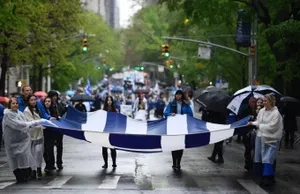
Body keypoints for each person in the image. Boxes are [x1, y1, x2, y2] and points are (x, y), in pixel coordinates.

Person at [2, 98, 46, 183]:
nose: (15, 105)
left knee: (25, 156)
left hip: (23, 140)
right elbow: (18, 125)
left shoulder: (20, 113)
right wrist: (34, 122)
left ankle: (26, 173)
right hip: (12, 141)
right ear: (10, 105)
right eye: (13, 103)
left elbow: (26, 125)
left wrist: (39, 125)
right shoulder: (8, 115)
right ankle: (19, 175)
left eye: (16, 103)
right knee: (14, 159)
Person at [248, 93, 283, 186]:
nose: (263, 102)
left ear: (271, 102)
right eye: (263, 101)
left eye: (265, 101)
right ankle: (266, 177)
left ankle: (267, 178)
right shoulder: (262, 111)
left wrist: (259, 125)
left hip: (271, 139)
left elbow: (272, 127)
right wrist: (252, 123)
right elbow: (258, 121)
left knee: (268, 158)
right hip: (260, 137)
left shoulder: (276, 113)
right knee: (260, 157)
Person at [164, 90, 193, 172]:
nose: (178, 96)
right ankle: (174, 163)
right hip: (173, 128)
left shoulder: (186, 105)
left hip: (182, 128)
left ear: (182, 96)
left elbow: (191, 115)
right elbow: (165, 113)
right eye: (177, 94)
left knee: (180, 145)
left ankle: (178, 163)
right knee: (174, 145)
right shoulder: (171, 104)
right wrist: (170, 114)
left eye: (179, 94)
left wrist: (184, 116)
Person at [44, 90, 67, 172]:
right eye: (53, 96)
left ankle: (59, 162)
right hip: (50, 130)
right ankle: (51, 163)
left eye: (55, 96)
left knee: (59, 146)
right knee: (49, 147)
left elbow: (63, 112)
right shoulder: (47, 106)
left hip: (59, 129)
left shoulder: (59, 105)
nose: (54, 98)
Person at [23, 95, 45, 179]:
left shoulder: (37, 109)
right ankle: (33, 170)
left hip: (39, 134)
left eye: (34, 100)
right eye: (31, 100)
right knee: (32, 154)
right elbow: (30, 123)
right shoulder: (26, 111)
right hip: (31, 136)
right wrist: (41, 124)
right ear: (28, 101)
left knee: (39, 152)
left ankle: (39, 168)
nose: (33, 101)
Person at [102, 96, 117, 168]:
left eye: (110, 100)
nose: (109, 101)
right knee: (104, 148)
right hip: (104, 131)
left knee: (112, 148)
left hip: (112, 131)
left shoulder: (115, 110)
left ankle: (114, 162)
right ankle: (106, 163)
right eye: (108, 100)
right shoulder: (103, 111)